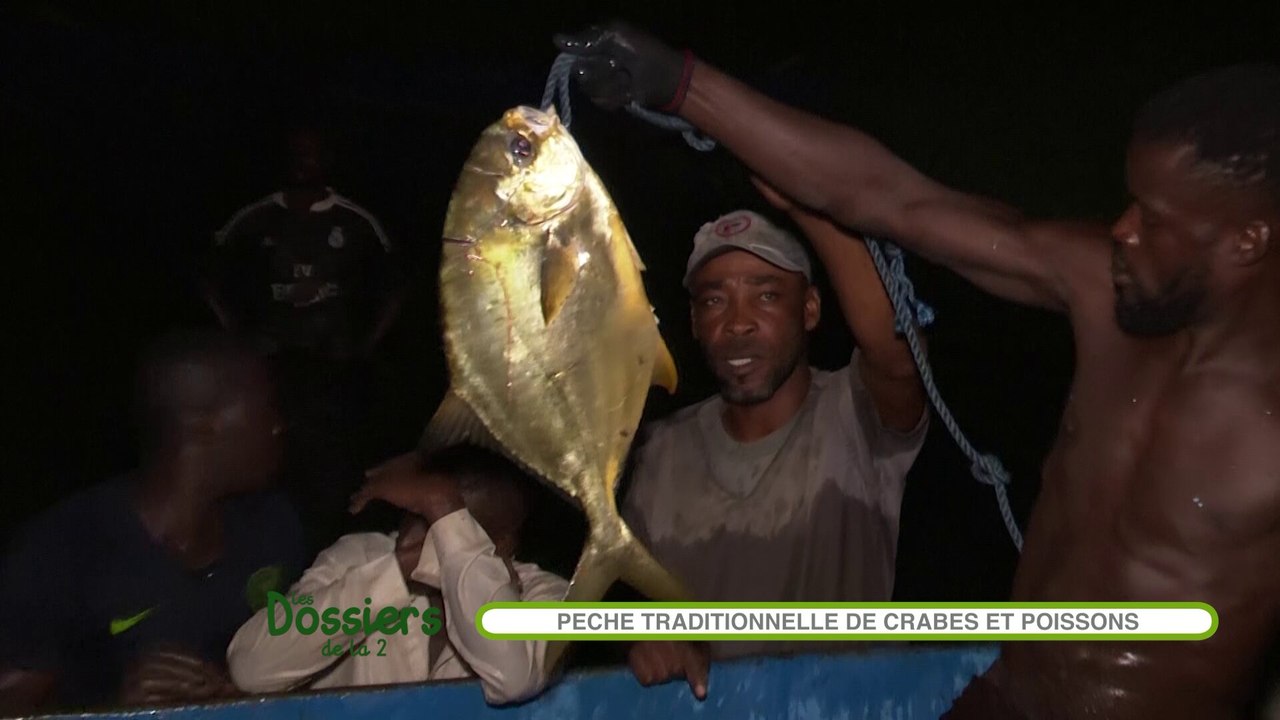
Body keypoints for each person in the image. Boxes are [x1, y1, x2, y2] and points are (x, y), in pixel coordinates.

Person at [555, 22, 1280, 719]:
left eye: (1153, 219)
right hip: (1007, 699)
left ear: (1247, 239)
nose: (1121, 228)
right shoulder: (1100, 288)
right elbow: (892, 196)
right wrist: (680, 83)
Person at [621, 197, 928, 697]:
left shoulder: (856, 414)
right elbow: (645, 625)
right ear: (695, 321)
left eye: (765, 296)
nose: (737, 323)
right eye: (715, 300)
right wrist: (651, 647)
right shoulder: (655, 453)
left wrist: (811, 199)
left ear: (809, 309)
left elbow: (897, 354)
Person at [0, 329, 307, 714]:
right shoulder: (65, 549)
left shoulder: (273, 527)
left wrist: (239, 698)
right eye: (267, 407)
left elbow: (302, 676)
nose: (279, 425)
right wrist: (113, 711)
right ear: (204, 425)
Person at [225, 443, 569, 705]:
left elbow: (512, 678)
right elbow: (251, 668)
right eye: (416, 514)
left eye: (449, 527)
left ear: (503, 543)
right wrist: (393, 576)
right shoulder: (359, 558)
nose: (415, 539)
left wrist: (446, 515)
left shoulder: (549, 597)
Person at [202, 124, 407, 554]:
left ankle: (328, 547)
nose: (303, 162)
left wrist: (366, 344)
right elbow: (210, 273)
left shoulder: (355, 219)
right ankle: (265, 549)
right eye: (296, 153)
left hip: (332, 368)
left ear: (326, 160)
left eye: (312, 154)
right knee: (271, 461)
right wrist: (237, 335)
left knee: (333, 470)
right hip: (273, 366)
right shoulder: (257, 216)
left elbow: (395, 286)